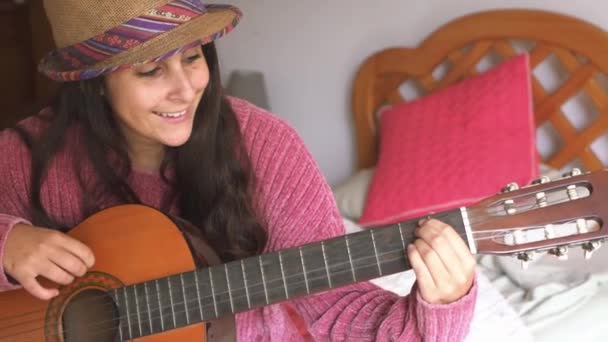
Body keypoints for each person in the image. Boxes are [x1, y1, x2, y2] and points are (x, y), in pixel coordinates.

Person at [0, 0, 478, 340]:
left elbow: (340, 312)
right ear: (94, 85)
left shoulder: (267, 147)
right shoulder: (24, 154)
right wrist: (7, 243)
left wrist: (443, 305)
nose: (186, 89)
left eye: (192, 58)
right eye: (150, 71)